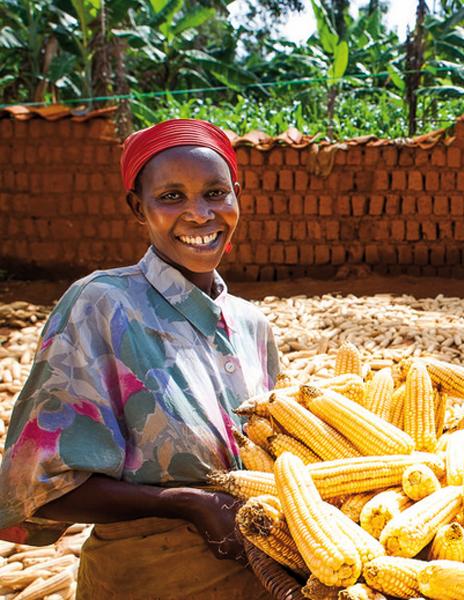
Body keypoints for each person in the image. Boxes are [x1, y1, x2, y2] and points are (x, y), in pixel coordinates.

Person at [0, 119, 279, 598]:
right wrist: (186, 504)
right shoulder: (102, 305)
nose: (199, 214)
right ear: (138, 207)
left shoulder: (253, 326)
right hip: (146, 582)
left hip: (261, 585)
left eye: (215, 193)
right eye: (171, 197)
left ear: (236, 196)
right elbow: (38, 487)